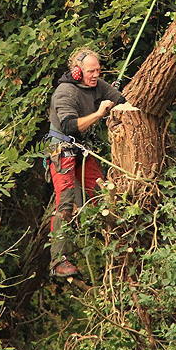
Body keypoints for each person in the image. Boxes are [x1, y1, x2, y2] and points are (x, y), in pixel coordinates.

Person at [46, 48, 125, 277]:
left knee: (102, 193)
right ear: (77, 71)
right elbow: (69, 126)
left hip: (83, 151)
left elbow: (121, 99)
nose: (95, 75)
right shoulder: (65, 92)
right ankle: (58, 262)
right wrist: (99, 113)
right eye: (91, 71)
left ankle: (119, 240)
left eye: (98, 70)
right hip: (62, 152)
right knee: (66, 204)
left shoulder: (97, 85)